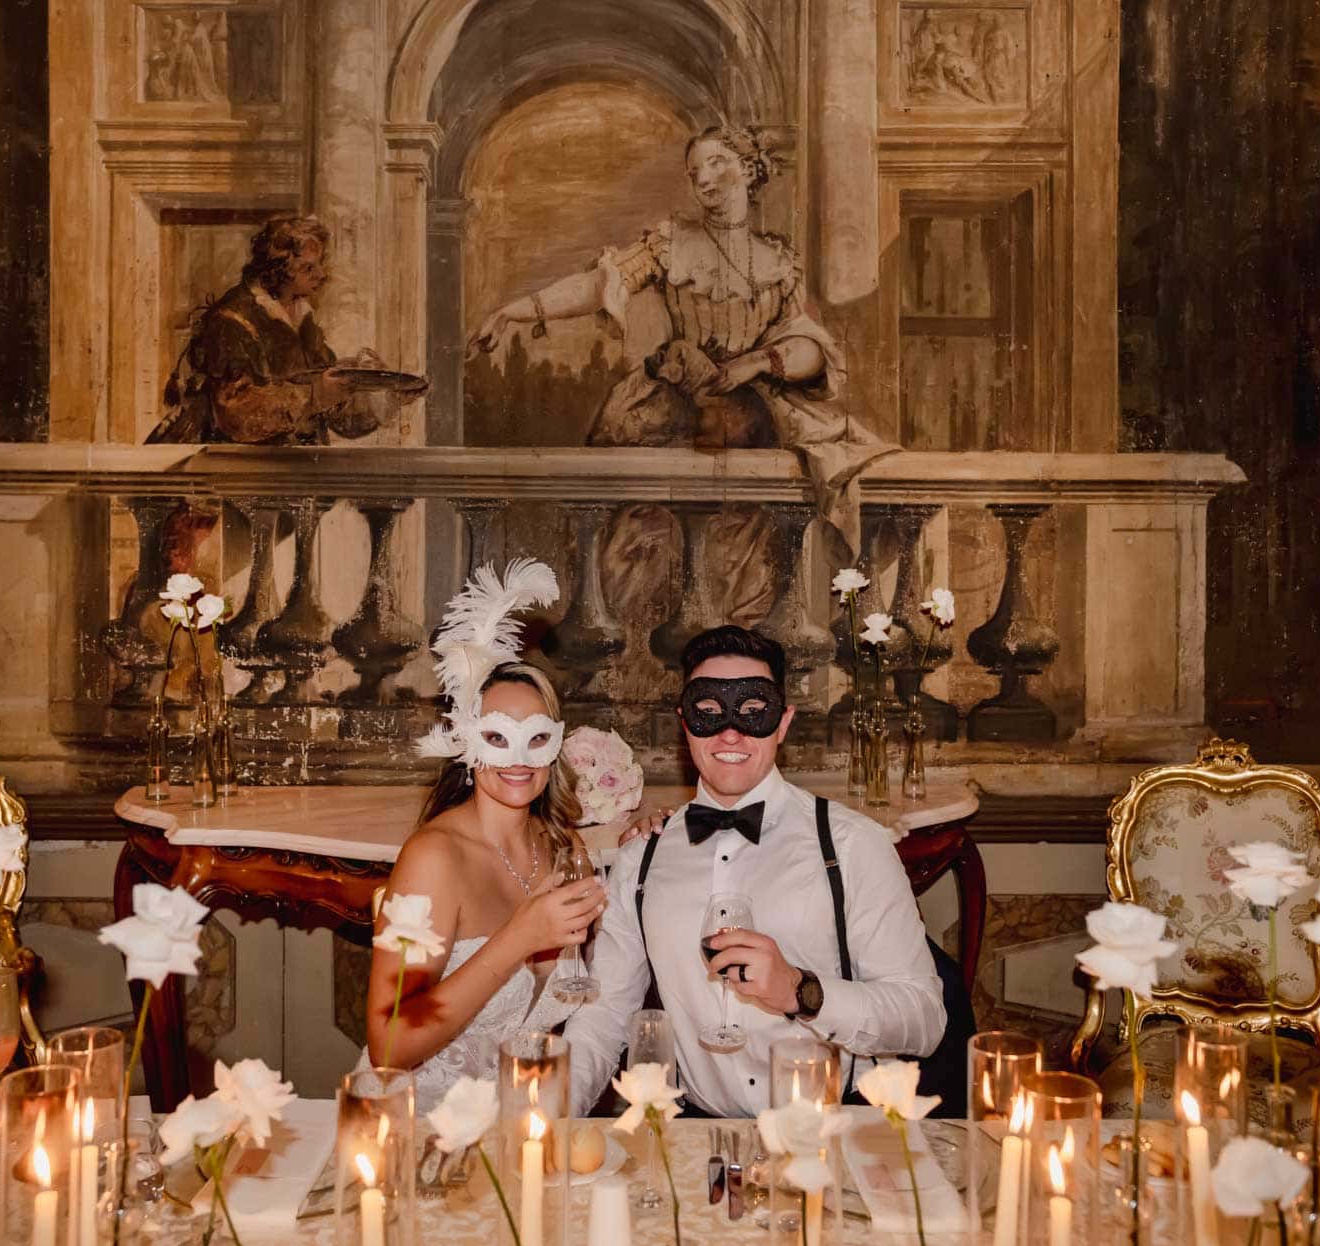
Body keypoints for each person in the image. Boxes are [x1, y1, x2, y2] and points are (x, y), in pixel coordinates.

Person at [565, 625, 947, 1117]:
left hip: (829, 1131)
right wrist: (553, 1120)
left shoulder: (853, 845)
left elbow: (924, 1020)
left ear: (783, 722)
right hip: (698, 1139)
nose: (730, 732)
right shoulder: (643, 857)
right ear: (685, 723)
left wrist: (800, 991)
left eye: (753, 712)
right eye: (708, 712)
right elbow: (604, 1015)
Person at [467, 126, 894, 557]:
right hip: (670, 407)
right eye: (694, 173)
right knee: (640, 548)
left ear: (748, 170)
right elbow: (596, 285)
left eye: (715, 164)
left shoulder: (778, 261)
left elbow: (808, 345)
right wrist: (514, 311)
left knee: (743, 553)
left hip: (749, 418)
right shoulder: (672, 243)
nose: (703, 180)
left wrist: (759, 362)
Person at [362, 563, 607, 1111]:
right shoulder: (433, 859)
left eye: (536, 736)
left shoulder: (565, 850)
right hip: (424, 1125)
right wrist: (519, 938)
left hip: (519, 1122)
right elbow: (389, 1044)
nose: (519, 758)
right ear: (467, 744)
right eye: (497, 736)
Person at [148, 214, 415, 445]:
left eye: (319, 264)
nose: (321, 275)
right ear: (277, 271)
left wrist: (382, 395)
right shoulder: (231, 320)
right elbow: (236, 414)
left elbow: (337, 417)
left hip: (297, 478)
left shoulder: (304, 321)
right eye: (308, 268)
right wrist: (314, 395)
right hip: (240, 479)